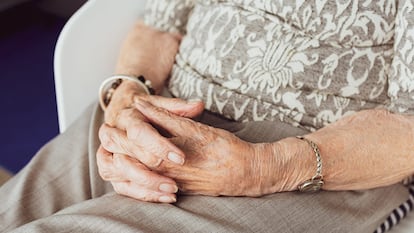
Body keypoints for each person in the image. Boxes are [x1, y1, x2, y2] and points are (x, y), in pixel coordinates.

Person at [1, 0, 414, 232]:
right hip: (160, 110)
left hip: (307, 157)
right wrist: (127, 99)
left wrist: (262, 168)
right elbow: (158, 28)